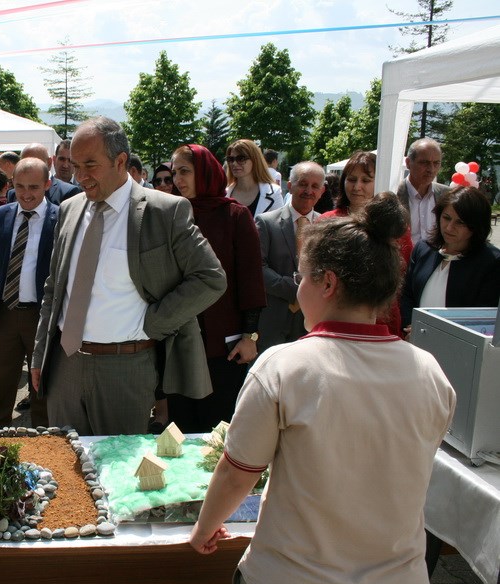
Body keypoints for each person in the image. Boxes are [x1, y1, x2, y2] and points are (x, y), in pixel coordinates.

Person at [189, 193, 456, 584]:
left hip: (292, 583)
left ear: (327, 282)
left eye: (301, 278)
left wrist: (205, 528)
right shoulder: (431, 371)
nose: (298, 290)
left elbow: (236, 472)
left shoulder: (283, 365)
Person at [30, 117, 226, 436]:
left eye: (90, 165)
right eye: (75, 165)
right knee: (66, 472)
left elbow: (211, 278)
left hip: (124, 370)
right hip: (64, 367)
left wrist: (154, 323)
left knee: (117, 477)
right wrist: (40, 353)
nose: (80, 176)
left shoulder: (164, 212)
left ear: (120, 161)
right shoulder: (69, 209)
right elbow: (54, 288)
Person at [169, 144, 267, 433]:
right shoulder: (171, 214)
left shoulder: (234, 216)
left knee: (217, 428)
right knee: (180, 428)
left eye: (185, 171)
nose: (178, 180)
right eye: (175, 172)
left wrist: (250, 336)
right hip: (178, 340)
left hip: (223, 346)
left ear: (206, 172)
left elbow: (250, 279)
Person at [0, 158, 59, 427]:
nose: (26, 193)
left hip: (42, 316)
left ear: (47, 184)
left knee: (41, 386)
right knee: (3, 383)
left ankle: (43, 440)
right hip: (5, 314)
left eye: (34, 187)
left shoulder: (61, 218)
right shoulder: (0, 216)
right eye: (19, 186)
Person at [320, 152, 413, 336]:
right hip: (335, 314)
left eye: (366, 180)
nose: (357, 187)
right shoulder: (326, 221)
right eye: (352, 179)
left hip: (381, 316)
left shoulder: (395, 224)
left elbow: (403, 271)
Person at [401, 185, 500, 330]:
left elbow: (482, 316)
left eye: (460, 222)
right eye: (446, 218)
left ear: (476, 226)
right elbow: (407, 295)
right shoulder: (423, 249)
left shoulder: (492, 262)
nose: (449, 227)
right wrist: (411, 327)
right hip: (415, 340)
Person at [255, 161, 326, 353]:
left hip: (312, 320)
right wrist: (297, 289)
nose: (308, 190)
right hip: (274, 317)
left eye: (315, 186)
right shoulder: (266, 222)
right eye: (303, 184)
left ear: (322, 191)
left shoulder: (327, 227)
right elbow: (258, 269)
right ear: (290, 186)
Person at [397, 137, 449, 245]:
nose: (431, 169)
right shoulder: (393, 195)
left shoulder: (447, 195)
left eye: (436, 163)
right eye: (424, 163)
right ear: (408, 163)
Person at [225, 139, 284, 218]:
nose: (234, 163)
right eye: (231, 159)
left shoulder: (274, 193)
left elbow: (279, 227)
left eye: (241, 158)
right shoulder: (224, 194)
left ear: (255, 160)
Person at [7, 143, 80, 205]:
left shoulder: (68, 192)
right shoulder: (13, 194)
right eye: (25, 163)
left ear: (49, 163)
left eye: (35, 163)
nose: (29, 167)